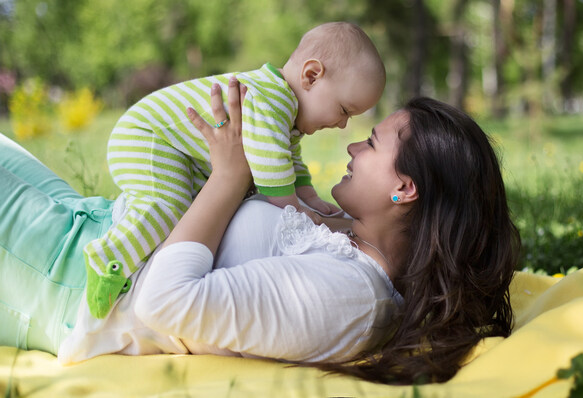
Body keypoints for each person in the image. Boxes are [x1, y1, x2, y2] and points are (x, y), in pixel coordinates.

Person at [0, 79, 520, 384]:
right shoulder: (349, 240)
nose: (353, 148)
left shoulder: (351, 299)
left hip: (62, 280)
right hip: (82, 226)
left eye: (372, 143)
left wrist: (229, 178)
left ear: (404, 189)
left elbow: (164, 302)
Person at [85, 21, 387, 319]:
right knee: (169, 204)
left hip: (170, 145)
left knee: (186, 211)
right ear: (311, 76)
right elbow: (272, 169)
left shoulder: (284, 107)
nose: (343, 124)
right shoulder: (271, 100)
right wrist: (296, 210)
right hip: (147, 137)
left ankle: (132, 257)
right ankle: (109, 258)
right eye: (344, 110)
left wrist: (308, 195)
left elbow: (288, 159)